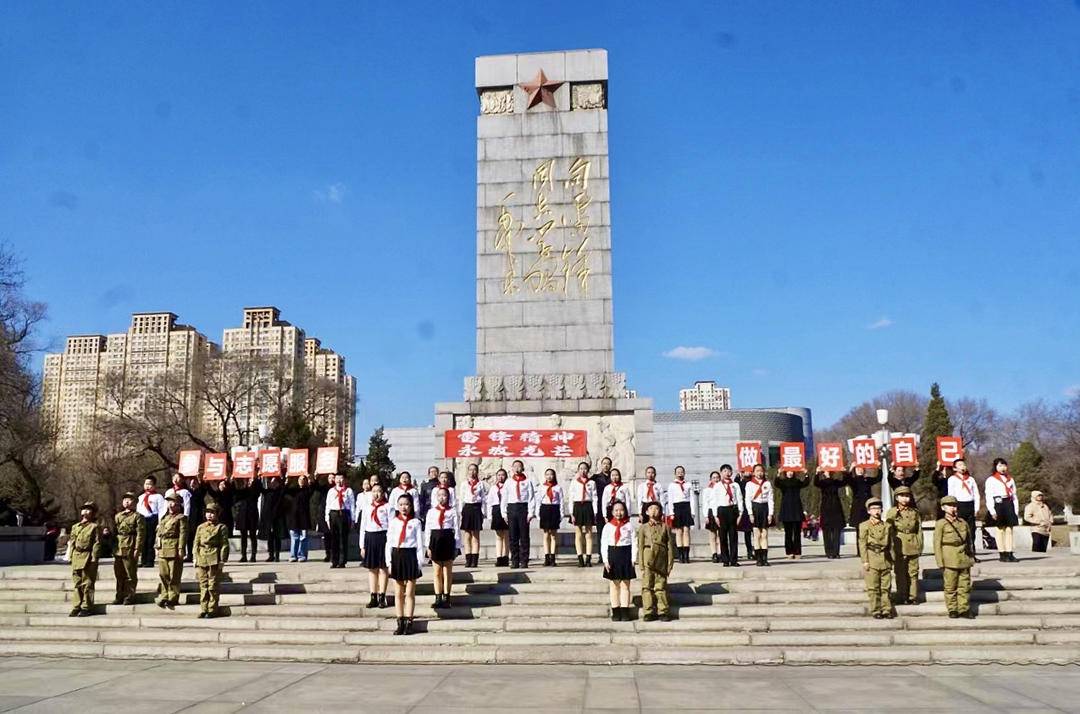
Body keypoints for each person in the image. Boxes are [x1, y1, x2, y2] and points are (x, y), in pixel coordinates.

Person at [385, 493, 424, 635]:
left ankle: (409, 621)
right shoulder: (394, 522)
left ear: (411, 506)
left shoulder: (416, 522)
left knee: (410, 592)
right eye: (401, 504)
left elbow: (419, 543)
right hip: (397, 555)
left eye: (406, 504)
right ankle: (399, 621)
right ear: (397, 506)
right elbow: (389, 542)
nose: (404, 507)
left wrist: (419, 562)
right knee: (398, 592)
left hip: (411, 555)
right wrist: (388, 561)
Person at [934, 495, 975, 619]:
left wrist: (971, 557)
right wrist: (940, 562)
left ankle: (964, 609)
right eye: (949, 505)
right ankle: (952, 609)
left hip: (963, 557)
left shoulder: (963, 522)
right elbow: (937, 543)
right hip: (949, 557)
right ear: (943, 508)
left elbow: (969, 541)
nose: (953, 508)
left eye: (954, 505)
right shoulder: (941, 523)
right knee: (950, 586)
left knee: (964, 585)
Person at [636, 500, 675, 621]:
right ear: (647, 512)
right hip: (648, 557)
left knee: (661, 585)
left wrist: (670, 563)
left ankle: (662, 611)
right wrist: (641, 564)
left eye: (656, 508)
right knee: (647, 586)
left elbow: (670, 546)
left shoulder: (665, 527)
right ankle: (648, 611)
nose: (654, 511)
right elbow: (640, 545)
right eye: (651, 508)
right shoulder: (643, 528)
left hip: (661, 559)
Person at [886, 486, 923, 606]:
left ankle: (913, 596)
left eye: (907, 496)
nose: (905, 498)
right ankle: (902, 595)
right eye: (902, 496)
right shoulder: (892, 512)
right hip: (899, 544)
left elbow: (919, 530)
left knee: (913, 572)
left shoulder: (914, 512)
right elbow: (888, 529)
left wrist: (920, 545)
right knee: (900, 571)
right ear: (896, 497)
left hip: (912, 543)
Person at [425, 486, 460, 608]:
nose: (442, 497)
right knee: (437, 572)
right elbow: (428, 529)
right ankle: (438, 597)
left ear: (448, 497)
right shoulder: (431, 512)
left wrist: (457, 546)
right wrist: (428, 546)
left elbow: (456, 529)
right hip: (435, 539)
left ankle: (447, 597)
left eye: (444, 495)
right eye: (439, 495)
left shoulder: (452, 511)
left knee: (447, 571)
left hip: (448, 539)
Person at [858, 497, 894, 619]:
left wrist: (891, 559)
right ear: (868, 511)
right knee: (873, 587)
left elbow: (891, 544)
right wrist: (865, 561)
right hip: (872, 557)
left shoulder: (887, 526)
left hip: (885, 558)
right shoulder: (864, 526)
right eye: (873, 509)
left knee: (885, 587)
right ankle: (876, 610)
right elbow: (862, 544)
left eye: (878, 508)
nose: (876, 511)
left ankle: (887, 609)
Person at [601, 500, 637, 621]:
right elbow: (604, 544)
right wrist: (605, 560)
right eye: (616, 510)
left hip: (625, 554)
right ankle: (615, 610)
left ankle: (625, 611)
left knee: (625, 585)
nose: (619, 512)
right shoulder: (608, 526)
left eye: (621, 510)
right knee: (614, 585)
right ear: (612, 512)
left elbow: (634, 543)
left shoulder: (629, 526)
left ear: (625, 511)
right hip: (613, 555)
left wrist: (633, 559)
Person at [193, 502, 229, 618]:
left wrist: (222, 560)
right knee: (203, 584)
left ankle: (212, 609)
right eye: (208, 512)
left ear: (217, 514)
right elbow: (196, 543)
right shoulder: (201, 527)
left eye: (212, 513)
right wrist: (195, 557)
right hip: (202, 556)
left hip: (214, 557)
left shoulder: (221, 527)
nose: (209, 515)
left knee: (212, 585)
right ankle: (204, 608)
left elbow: (224, 544)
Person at [358, 482, 391, 608]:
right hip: (370, 537)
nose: (376, 494)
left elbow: (392, 526)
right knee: (372, 569)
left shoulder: (388, 507)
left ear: (383, 493)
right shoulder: (367, 507)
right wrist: (362, 545)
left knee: (383, 568)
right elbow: (363, 527)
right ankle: (373, 596)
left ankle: (382, 596)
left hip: (383, 537)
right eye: (374, 491)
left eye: (379, 491)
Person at [985, 457, 1021, 562]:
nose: (1003, 468)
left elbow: (1014, 495)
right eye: (1000, 465)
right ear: (995, 467)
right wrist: (992, 510)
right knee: (1000, 530)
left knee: (1009, 529)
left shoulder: (1010, 479)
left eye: (1004, 465)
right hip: (998, 504)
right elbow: (989, 495)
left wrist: (1016, 510)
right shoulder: (991, 479)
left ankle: (1010, 552)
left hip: (1009, 503)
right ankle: (1002, 553)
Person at [69, 502, 101, 617]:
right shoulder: (75, 526)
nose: (86, 511)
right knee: (77, 583)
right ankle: (76, 606)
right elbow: (72, 542)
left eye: (89, 509)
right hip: (77, 556)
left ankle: (87, 606)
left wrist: (94, 557)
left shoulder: (94, 527)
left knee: (87, 583)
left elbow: (97, 543)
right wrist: (70, 555)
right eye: (84, 509)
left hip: (88, 556)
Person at [155, 493, 187, 610]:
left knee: (174, 574)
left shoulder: (181, 518)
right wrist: (157, 547)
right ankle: (164, 595)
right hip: (163, 547)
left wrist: (181, 548)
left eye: (173, 501)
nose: (170, 504)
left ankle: (173, 597)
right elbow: (158, 533)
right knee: (163, 574)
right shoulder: (164, 517)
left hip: (174, 547)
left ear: (178, 504)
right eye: (169, 501)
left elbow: (183, 534)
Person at [112, 492, 144, 605]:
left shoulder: (138, 516)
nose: (127, 501)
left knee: (130, 573)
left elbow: (140, 534)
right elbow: (114, 532)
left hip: (130, 544)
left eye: (130, 499)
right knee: (119, 573)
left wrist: (137, 549)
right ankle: (119, 595)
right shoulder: (118, 516)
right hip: (119, 547)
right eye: (125, 499)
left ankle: (129, 595)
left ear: (135, 503)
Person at [502, 460, 535, 569]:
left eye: (519, 466)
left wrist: (531, 512)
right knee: (513, 536)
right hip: (512, 508)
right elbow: (504, 498)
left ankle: (524, 560)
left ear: (523, 468)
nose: (517, 468)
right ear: (512, 468)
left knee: (524, 536)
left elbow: (531, 498)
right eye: (515, 466)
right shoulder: (508, 482)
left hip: (523, 508)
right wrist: (504, 513)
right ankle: (515, 560)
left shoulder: (528, 481)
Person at [946, 459, 980, 558]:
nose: (963, 466)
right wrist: (953, 508)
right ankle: (961, 553)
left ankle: (971, 553)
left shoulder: (971, 479)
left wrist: (976, 508)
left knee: (971, 531)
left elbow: (976, 494)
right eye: (960, 465)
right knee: (960, 530)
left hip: (970, 505)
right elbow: (951, 494)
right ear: (954, 468)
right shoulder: (952, 479)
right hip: (959, 506)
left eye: (964, 464)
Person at [569, 462, 598, 567]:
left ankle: (588, 558)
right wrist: (571, 513)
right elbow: (571, 498)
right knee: (578, 533)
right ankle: (580, 557)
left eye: (585, 468)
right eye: (581, 468)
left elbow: (595, 498)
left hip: (588, 506)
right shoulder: (574, 482)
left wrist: (595, 512)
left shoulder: (592, 483)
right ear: (578, 470)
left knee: (589, 533)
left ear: (588, 470)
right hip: (577, 507)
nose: (583, 470)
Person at [744, 464, 774, 567]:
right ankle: (759, 559)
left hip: (764, 508)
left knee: (764, 534)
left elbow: (770, 499)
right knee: (756, 534)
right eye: (757, 471)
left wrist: (770, 514)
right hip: (755, 508)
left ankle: (765, 558)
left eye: (761, 471)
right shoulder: (749, 484)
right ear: (753, 472)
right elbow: (747, 499)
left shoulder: (768, 484)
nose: (759, 473)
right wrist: (750, 513)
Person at [776, 468, 810, 559]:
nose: (790, 473)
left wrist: (806, 474)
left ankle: (797, 551)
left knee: (797, 533)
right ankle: (789, 552)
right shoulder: (783, 482)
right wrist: (778, 474)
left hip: (796, 510)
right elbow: (777, 483)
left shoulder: (797, 482)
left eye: (791, 471)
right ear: (785, 473)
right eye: (788, 471)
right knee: (788, 533)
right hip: (786, 509)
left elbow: (805, 483)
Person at [848, 466, 882, 552]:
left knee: (870, 528)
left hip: (868, 506)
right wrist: (851, 468)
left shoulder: (867, 480)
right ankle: (860, 550)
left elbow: (878, 478)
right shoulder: (853, 480)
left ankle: (870, 548)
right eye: (857, 469)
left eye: (861, 469)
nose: (860, 470)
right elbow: (846, 479)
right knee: (859, 531)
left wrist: (879, 467)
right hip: (858, 507)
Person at [814, 467, 847, 559]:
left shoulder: (835, 482)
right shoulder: (823, 483)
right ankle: (829, 552)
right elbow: (816, 483)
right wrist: (817, 473)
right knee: (827, 531)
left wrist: (844, 472)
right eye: (826, 470)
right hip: (826, 508)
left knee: (837, 531)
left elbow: (844, 482)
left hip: (836, 508)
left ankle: (836, 552)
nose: (827, 472)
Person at [713, 465, 742, 567]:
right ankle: (725, 559)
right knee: (723, 536)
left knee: (733, 536)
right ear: (721, 473)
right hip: (722, 510)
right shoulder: (717, 486)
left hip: (733, 509)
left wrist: (740, 513)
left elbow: (739, 499)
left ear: (731, 472)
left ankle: (734, 559)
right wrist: (715, 516)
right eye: (724, 471)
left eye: (729, 471)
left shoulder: (735, 485)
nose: (727, 473)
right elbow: (714, 501)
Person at [324, 473, 354, 568]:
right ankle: (334, 560)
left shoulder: (348, 491)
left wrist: (353, 519)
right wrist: (327, 518)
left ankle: (342, 561)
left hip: (344, 514)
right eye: (337, 478)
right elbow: (327, 505)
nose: (339, 480)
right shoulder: (331, 491)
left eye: (341, 478)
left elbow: (352, 505)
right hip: (333, 514)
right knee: (334, 539)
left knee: (343, 538)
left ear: (344, 480)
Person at [666, 465, 696, 564]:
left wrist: (693, 512)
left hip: (686, 507)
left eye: (681, 471)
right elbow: (670, 499)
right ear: (675, 473)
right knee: (679, 531)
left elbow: (692, 498)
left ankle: (686, 555)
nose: (680, 473)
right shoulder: (672, 485)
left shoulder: (688, 484)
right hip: (677, 507)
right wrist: (671, 513)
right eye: (678, 471)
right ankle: (680, 555)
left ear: (684, 473)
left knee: (686, 530)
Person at [458, 463, 486, 568]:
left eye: (474, 470)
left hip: (476, 508)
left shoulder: (481, 484)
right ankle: (468, 559)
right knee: (467, 535)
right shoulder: (464, 484)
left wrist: (483, 512)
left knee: (476, 535)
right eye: (470, 470)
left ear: (477, 471)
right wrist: (461, 511)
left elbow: (483, 498)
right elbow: (461, 498)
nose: (472, 472)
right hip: (467, 508)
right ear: (468, 471)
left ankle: (475, 560)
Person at [537, 468, 565, 566]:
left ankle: (553, 557)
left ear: (554, 476)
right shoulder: (542, 487)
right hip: (545, 509)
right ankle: (546, 557)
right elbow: (538, 501)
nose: (549, 476)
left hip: (554, 509)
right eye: (547, 474)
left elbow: (561, 501)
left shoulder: (558, 487)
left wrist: (561, 513)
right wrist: (538, 514)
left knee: (553, 535)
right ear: (545, 476)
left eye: (551, 474)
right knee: (546, 534)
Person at [136, 476, 165, 568]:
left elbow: (162, 510)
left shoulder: (158, 497)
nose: (147, 486)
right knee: (142, 540)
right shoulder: (141, 497)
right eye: (146, 484)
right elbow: (138, 510)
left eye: (150, 484)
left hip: (152, 519)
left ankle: (149, 560)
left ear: (154, 485)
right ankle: (142, 560)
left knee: (150, 540)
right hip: (142, 519)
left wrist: (160, 523)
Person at [484, 469, 510, 567]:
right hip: (496, 510)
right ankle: (499, 557)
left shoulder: (508, 487)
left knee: (506, 536)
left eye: (503, 475)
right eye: (499, 475)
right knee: (499, 536)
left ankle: (506, 557)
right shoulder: (493, 488)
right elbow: (489, 502)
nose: (501, 477)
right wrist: (490, 516)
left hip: (506, 511)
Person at [164, 474, 193, 562]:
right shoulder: (169, 491)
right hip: (170, 515)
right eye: (175, 478)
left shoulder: (185, 492)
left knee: (182, 534)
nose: (176, 480)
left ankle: (186, 553)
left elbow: (187, 505)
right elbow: (165, 505)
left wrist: (186, 516)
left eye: (178, 478)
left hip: (180, 514)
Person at [285, 475, 313, 562]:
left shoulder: (307, 490)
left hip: (304, 517)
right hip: (293, 517)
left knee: (303, 537)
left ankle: (302, 555)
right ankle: (293, 555)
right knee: (294, 537)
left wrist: (310, 479)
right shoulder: (294, 490)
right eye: (300, 479)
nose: (301, 481)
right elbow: (284, 491)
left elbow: (313, 488)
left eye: (303, 479)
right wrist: (287, 481)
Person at [231, 477, 261, 562]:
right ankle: (243, 555)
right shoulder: (238, 483)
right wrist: (234, 481)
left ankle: (253, 555)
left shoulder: (255, 483)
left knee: (253, 535)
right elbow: (235, 494)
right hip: (242, 513)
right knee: (243, 535)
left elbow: (257, 493)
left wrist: (254, 481)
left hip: (252, 512)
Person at [258, 477, 286, 562]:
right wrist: (259, 478)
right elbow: (259, 488)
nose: (272, 483)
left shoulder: (280, 491)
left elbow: (284, 487)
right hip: (268, 518)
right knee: (269, 537)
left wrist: (284, 478)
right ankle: (271, 555)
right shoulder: (267, 492)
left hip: (278, 517)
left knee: (277, 537)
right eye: (271, 482)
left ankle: (277, 555)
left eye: (274, 482)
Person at [734, 471, 756, 561]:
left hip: (755, 507)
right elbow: (735, 483)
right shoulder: (740, 482)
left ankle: (758, 551)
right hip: (745, 510)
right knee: (748, 533)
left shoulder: (754, 481)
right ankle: (750, 552)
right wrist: (739, 475)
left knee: (756, 532)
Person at [592, 457, 613, 547]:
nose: (606, 465)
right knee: (600, 531)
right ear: (601, 465)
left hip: (611, 508)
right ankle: (601, 554)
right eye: (604, 463)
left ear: (610, 465)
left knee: (612, 531)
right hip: (599, 507)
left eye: (608, 463)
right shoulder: (595, 478)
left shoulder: (613, 477)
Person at [702, 470, 721, 562]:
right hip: (710, 512)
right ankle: (714, 553)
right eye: (714, 478)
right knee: (712, 534)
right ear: (710, 479)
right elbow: (705, 503)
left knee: (720, 535)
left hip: (720, 511)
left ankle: (721, 552)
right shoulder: (707, 490)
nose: (716, 479)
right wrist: (706, 516)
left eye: (717, 477)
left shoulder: (722, 488)